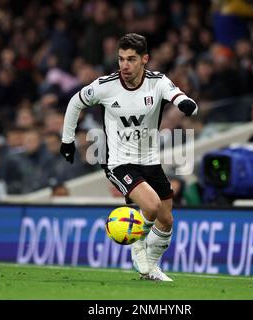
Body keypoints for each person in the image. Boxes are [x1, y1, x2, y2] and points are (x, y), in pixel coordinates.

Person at [60, 33, 198, 281]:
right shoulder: (105, 86)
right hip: (118, 162)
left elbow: (180, 97)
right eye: (121, 59)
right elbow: (75, 102)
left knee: (166, 220)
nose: (124, 65)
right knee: (152, 206)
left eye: (131, 59)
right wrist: (67, 140)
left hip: (150, 161)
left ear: (145, 59)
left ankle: (152, 268)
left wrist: (186, 104)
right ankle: (137, 246)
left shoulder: (157, 82)